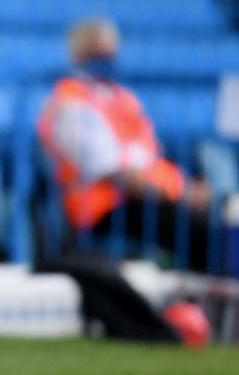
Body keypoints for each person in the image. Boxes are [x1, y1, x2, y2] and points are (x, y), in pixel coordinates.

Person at [36, 18, 213, 271]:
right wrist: (179, 193)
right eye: (97, 51)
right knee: (195, 232)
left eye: (110, 51)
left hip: (146, 199)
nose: (106, 58)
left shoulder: (124, 98)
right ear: (77, 54)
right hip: (102, 210)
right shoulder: (69, 102)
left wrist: (185, 187)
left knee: (212, 224)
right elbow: (107, 168)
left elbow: (149, 156)